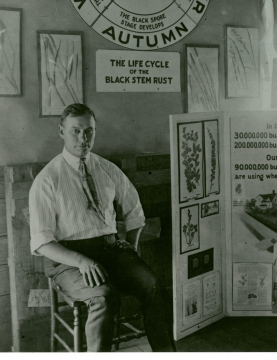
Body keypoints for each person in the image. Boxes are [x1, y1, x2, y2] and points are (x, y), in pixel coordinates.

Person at [28, 103, 175, 352]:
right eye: (75, 131)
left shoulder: (106, 169)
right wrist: (82, 262)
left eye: (89, 131)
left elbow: (134, 211)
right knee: (103, 298)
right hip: (68, 260)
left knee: (154, 286)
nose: (83, 139)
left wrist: (131, 246)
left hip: (111, 251)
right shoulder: (48, 179)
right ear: (61, 131)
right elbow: (42, 243)